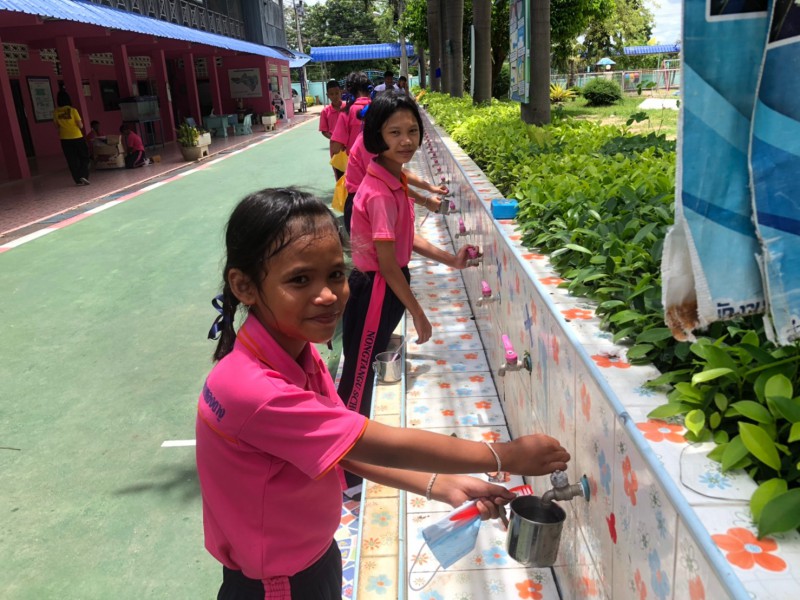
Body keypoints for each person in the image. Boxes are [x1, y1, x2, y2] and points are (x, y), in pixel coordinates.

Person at [196, 187, 571, 600]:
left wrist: (440, 486)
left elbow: (340, 451)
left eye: (336, 274)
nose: (328, 295)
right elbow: (380, 443)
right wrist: (503, 455)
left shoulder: (295, 354)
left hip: (312, 561)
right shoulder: (257, 391)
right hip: (278, 587)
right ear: (244, 286)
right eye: (300, 279)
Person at [336, 93, 478, 487]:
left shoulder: (394, 177)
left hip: (386, 286)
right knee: (358, 379)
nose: (406, 141)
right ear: (376, 137)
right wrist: (418, 312)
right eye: (394, 132)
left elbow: (405, 239)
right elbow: (386, 264)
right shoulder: (380, 192)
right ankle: (347, 475)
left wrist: (452, 261)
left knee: (361, 372)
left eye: (412, 131)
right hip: (376, 291)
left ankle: (352, 462)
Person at [53, 88, 90, 186]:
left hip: (64, 138)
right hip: (77, 136)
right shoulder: (73, 110)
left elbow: (57, 126)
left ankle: (78, 180)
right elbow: (80, 125)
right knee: (84, 156)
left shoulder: (55, 112)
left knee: (71, 160)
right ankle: (83, 175)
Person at [330, 71, 372, 156]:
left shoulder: (347, 112)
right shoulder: (380, 108)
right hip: (377, 162)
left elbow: (335, 148)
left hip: (355, 161)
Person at [319, 80, 345, 181]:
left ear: (341, 92)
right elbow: (324, 131)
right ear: (327, 95)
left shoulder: (348, 107)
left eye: (337, 93)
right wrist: (336, 139)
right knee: (339, 174)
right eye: (332, 94)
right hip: (335, 147)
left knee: (353, 172)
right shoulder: (325, 112)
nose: (335, 96)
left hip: (349, 146)